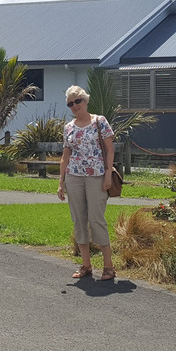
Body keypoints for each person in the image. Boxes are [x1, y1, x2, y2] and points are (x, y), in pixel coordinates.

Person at [56, 85, 117, 281]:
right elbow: (65, 157)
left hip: (96, 176)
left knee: (96, 218)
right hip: (74, 176)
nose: (74, 105)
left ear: (85, 100)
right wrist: (61, 182)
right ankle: (86, 265)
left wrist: (108, 174)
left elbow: (109, 150)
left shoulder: (99, 122)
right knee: (79, 220)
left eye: (77, 101)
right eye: (70, 103)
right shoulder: (68, 127)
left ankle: (108, 266)